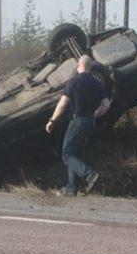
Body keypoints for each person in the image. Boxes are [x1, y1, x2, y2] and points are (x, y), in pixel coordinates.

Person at [45, 55, 111, 196]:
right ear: (90, 67)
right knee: (74, 154)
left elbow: (62, 104)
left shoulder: (74, 82)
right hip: (90, 122)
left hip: (78, 122)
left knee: (67, 154)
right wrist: (95, 115)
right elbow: (106, 105)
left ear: (78, 66)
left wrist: (52, 121)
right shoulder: (97, 83)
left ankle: (89, 174)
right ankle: (71, 188)